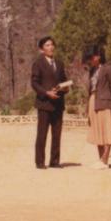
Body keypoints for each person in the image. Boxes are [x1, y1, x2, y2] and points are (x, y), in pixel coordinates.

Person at [31, 36, 68, 169]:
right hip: (44, 104)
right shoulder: (38, 63)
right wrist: (46, 93)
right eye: (47, 45)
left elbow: (64, 80)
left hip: (58, 103)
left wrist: (65, 88)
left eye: (52, 44)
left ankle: (55, 161)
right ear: (42, 49)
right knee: (42, 134)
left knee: (57, 134)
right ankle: (40, 162)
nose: (51, 47)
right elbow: (34, 83)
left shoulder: (59, 63)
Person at [83, 46, 111, 169]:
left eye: (91, 57)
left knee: (107, 130)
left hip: (105, 101)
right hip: (93, 100)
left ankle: (104, 159)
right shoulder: (92, 70)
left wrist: (110, 100)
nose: (90, 60)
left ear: (98, 56)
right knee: (97, 130)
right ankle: (101, 160)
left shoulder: (108, 68)